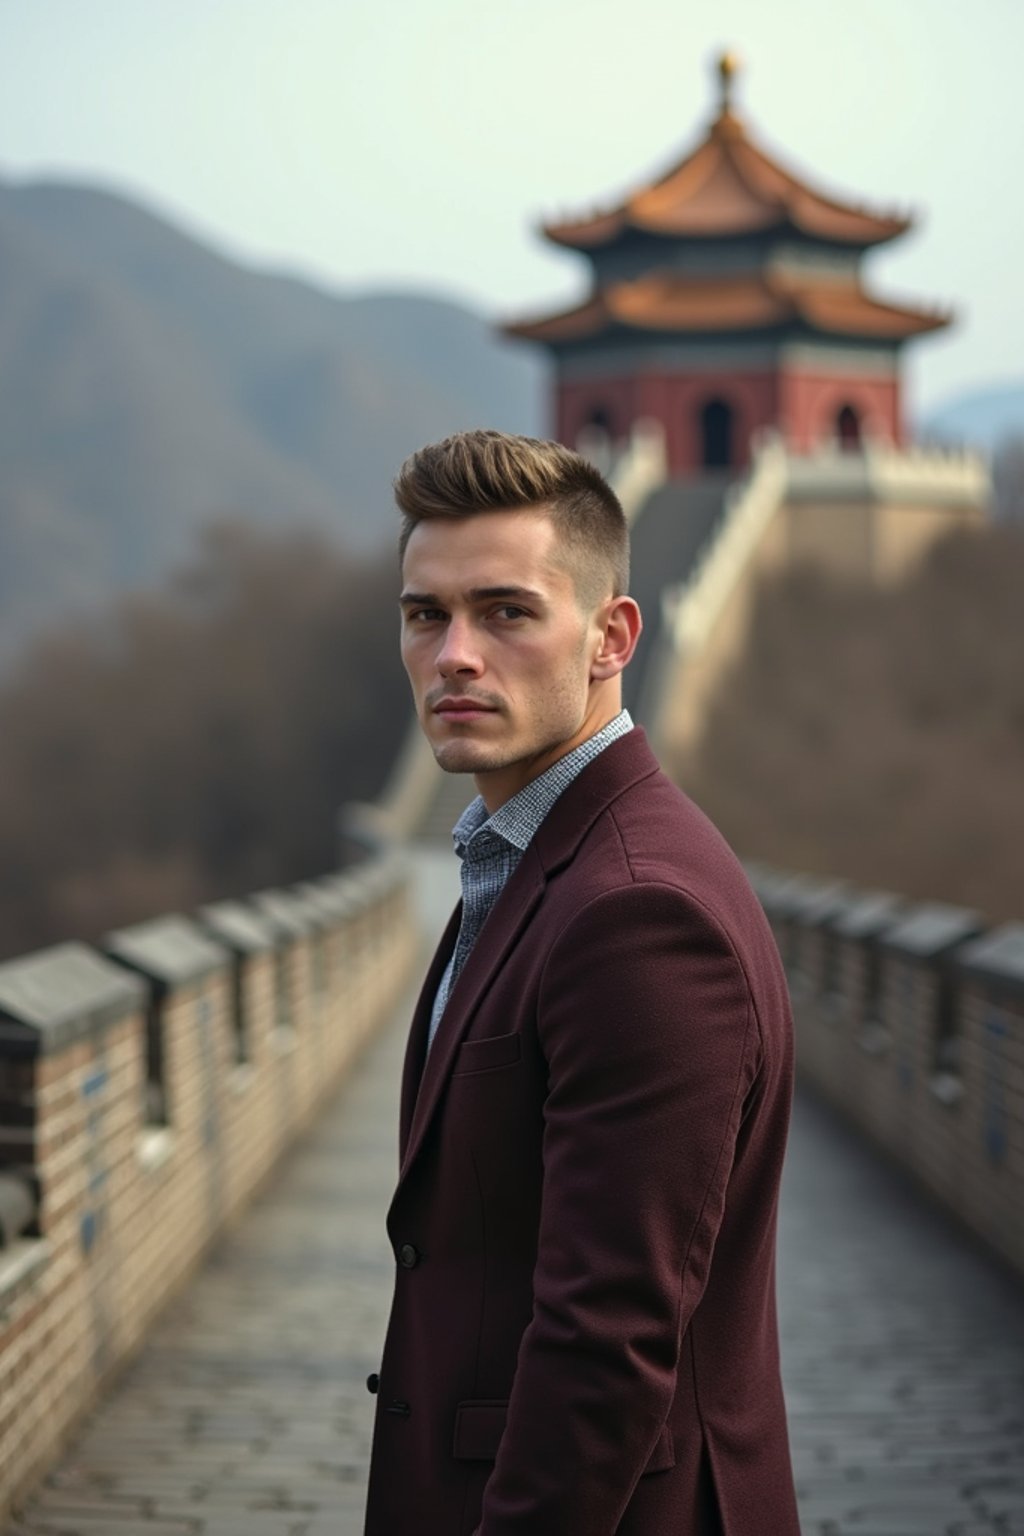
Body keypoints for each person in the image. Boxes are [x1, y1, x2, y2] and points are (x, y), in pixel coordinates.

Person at [363, 430, 801, 1536]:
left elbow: (607, 1337)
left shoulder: (637, 910)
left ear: (612, 636)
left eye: (506, 611)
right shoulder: (525, 858)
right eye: (427, 615)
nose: (455, 654)